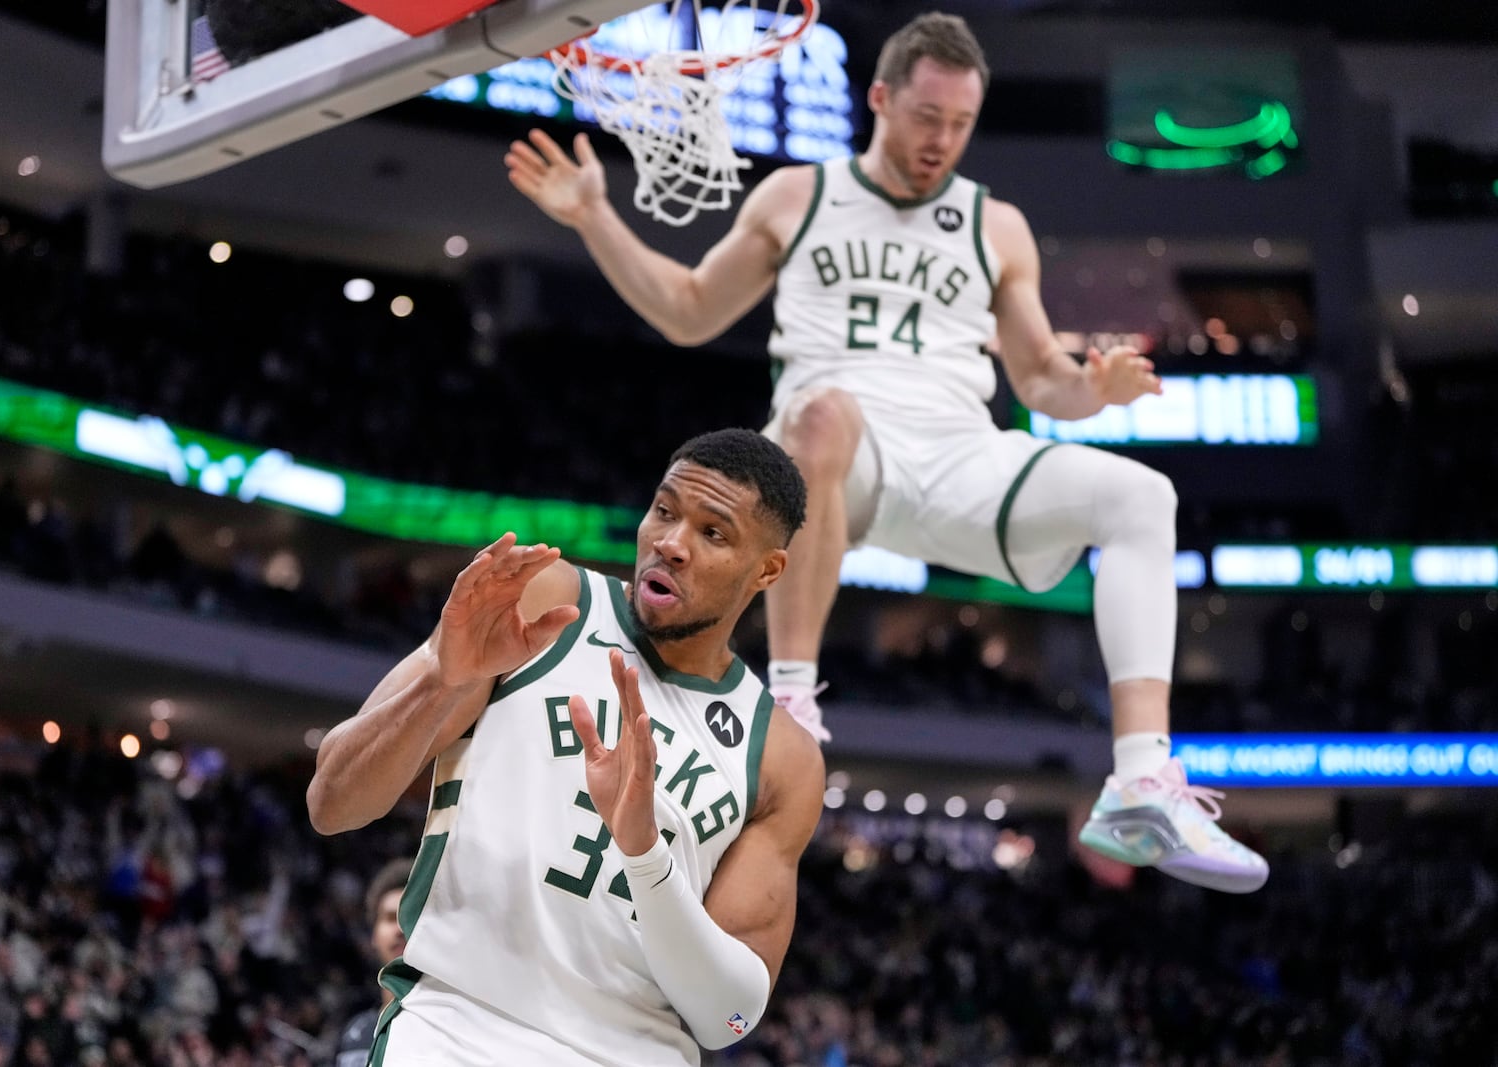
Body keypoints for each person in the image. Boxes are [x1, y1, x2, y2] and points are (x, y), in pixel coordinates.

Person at [503, 11, 1266, 893]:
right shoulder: (801, 196)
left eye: (960, 124)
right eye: (927, 117)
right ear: (880, 98)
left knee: (1142, 496)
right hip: (833, 460)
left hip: (957, 453)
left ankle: (1141, 779)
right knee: (826, 414)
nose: (943, 139)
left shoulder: (997, 224)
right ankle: (792, 698)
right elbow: (687, 310)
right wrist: (596, 215)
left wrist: (1094, 390)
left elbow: (1043, 377)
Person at [306, 429, 825, 1064]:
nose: (671, 544)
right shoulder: (546, 599)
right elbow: (332, 802)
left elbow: (728, 1017)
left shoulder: (782, 756)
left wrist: (644, 853)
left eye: (712, 534)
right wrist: (446, 683)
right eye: (664, 511)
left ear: (768, 569)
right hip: (455, 1028)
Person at [332, 858, 412, 1067]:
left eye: (409, 917)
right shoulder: (356, 1035)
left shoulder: (454, 1025)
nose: (400, 929)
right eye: (389, 918)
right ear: (373, 936)